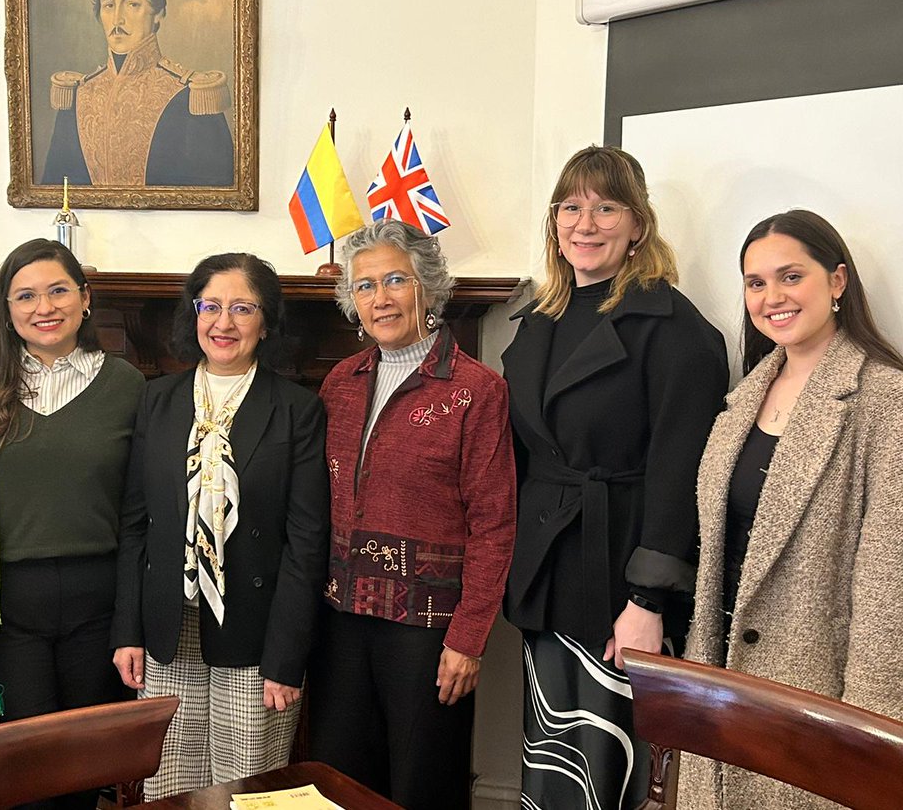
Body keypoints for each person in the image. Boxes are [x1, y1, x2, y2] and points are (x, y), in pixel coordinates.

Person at [502, 145, 728, 810]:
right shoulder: (538, 318)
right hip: (549, 573)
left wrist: (647, 603)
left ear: (638, 224)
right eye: (570, 207)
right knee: (552, 758)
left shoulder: (677, 329)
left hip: (623, 578)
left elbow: (680, 474)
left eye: (606, 207)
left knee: (613, 769)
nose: (586, 222)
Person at [679, 209, 903, 809]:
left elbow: (888, 586)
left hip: (817, 692)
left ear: (837, 281)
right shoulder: (743, 396)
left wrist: (869, 735)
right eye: (755, 283)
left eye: (790, 277)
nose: (771, 297)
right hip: (723, 680)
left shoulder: (885, 400)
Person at [307, 219, 517, 810]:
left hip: (428, 629)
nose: (380, 298)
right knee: (341, 783)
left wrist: (469, 638)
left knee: (425, 784)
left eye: (395, 279)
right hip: (341, 618)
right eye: (365, 285)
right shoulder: (339, 383)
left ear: (426, 285)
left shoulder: (476, 390)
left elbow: (495, 523)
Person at [111, 253, 329, 800]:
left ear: (267, 321)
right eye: (211, 306)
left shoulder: (296, 410)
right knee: (170, 787)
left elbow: (306, 543)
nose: (223, 323)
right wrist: (127, 632)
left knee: (245, 790)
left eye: (242, 308)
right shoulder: (156, 398)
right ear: (194, 314)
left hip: (256, 634)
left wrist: (287, 658)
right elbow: (135, 524)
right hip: (167, 628)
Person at [0, 239, 144, 809]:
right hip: (10, 602)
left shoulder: (126, 385)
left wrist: (130, 620)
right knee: (23, 766)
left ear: (85, 299)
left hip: (96, 600)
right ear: (6, 308)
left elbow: (137, 513)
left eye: (58, 290)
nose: (43, 307)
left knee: (81, 768)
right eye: (25, 295)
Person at [41, 0, 235, 188]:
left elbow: (218, 201)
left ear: (158, 13)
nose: (117, 20)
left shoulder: (191, 96)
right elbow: (54, 193)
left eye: (133, 4)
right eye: (109, 5)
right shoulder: (78, 95)